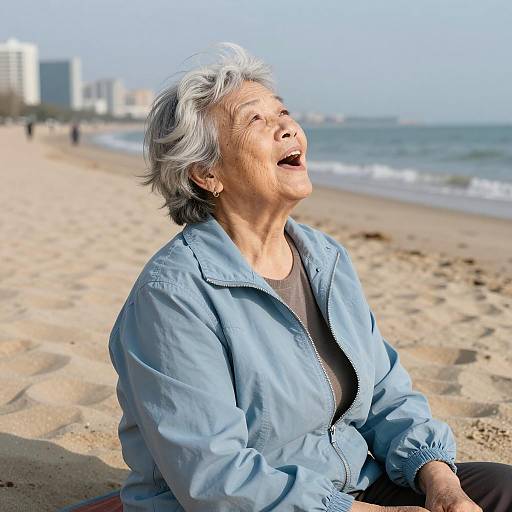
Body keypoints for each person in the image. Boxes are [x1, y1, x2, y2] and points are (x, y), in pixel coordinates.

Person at [108, 43, 511, 511]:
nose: (286, 127)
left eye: (283, 112)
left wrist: (441, 484)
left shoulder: (324, 256)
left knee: (501, 488)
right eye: (255, 120)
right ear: (205, 173)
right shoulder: (174, 297)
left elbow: (385, 393)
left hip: (352, 480)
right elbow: (215, 476)